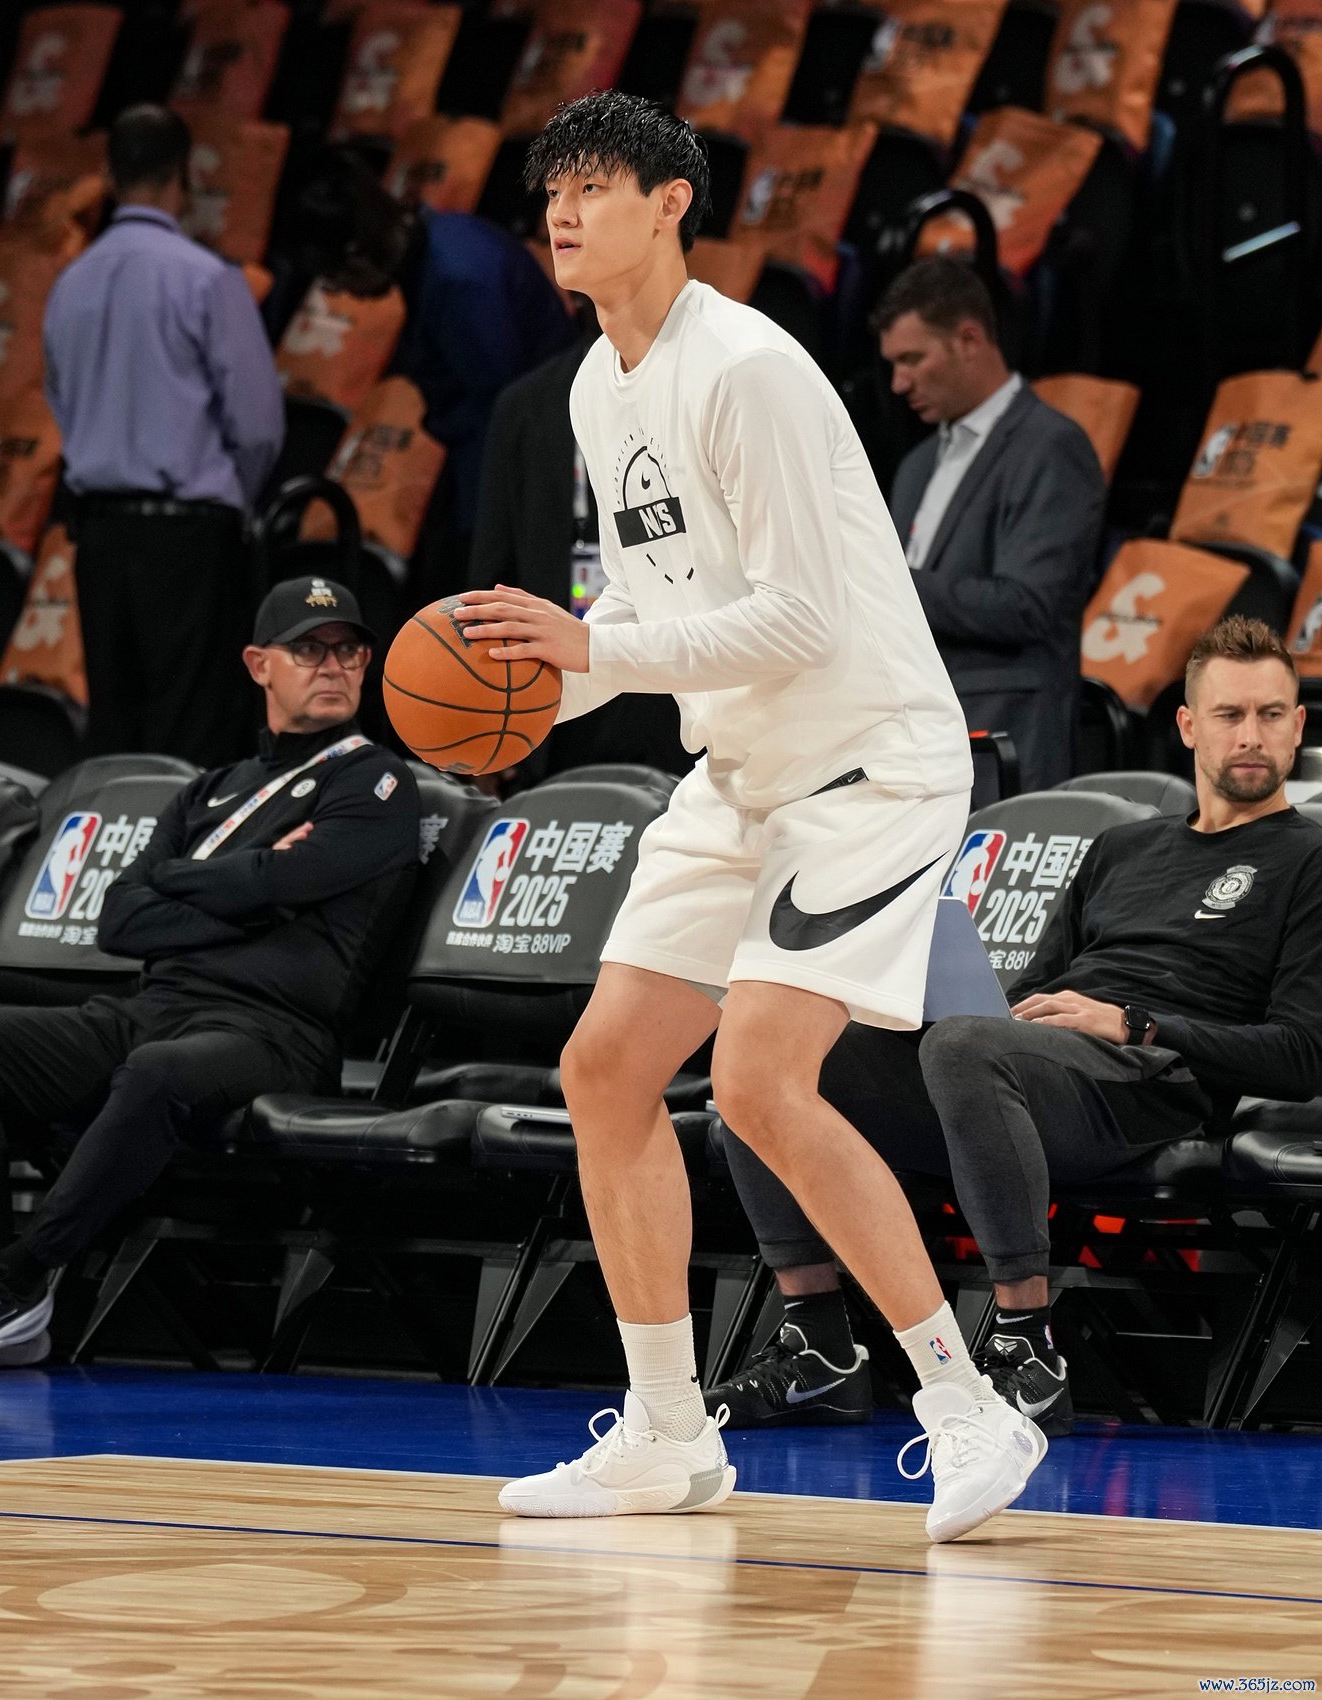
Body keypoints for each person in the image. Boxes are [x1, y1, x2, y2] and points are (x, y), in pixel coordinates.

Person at [456, 92, 1049, 1544]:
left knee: (760, 1080)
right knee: (605, 1069)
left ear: (672, 203)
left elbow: (797, 617)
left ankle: (967, 1404)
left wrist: (591, 649)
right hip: (739, 769)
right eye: (550, 191)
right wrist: (537, 690)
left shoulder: (751, 370)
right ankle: (668, 1432)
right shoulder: (595, 386)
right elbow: (652, 605)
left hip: (868, 767)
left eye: (594, 185)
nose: (562, 212)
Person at [709, 616, 1322, 1439]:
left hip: (1154, 1087)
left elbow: (1301, 1057)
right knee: (764, 1067)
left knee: (968, 1048)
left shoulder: (1309, 860)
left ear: (1298, 725)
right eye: (1230, 715)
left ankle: (1025, 1350)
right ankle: (818, 1343)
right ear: (1186, 725)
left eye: (1271, 715)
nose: (1251, 736)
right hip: (1037, 1064)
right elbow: (1031, 996)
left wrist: (1135, 1024)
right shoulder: (1121, 848)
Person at [0, 577, 421, 1373]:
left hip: (275, 1032)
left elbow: (287, 880)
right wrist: (256, 889)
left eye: (348, 650)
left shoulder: (374, 782)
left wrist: (189, 883)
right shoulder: (210, 790)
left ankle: (20, 1275)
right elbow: (120, 919)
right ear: (258, 664)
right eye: (308, 649)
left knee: (157, 1071)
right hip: (154, 1006)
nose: (332, 664)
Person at [43, 104, 285, 767]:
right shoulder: (206, 277)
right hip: (188, 535)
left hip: (100, 535)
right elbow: (259, 426)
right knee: (190, 737)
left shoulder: (69, 283)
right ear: (185, 174)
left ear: (108, 175)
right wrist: (233, 501)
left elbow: (61, 404)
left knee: (114, 730)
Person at [280, 150, 575, 571]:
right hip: (503, 457)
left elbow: (502, 412)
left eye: (334, 278)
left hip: (531, 474)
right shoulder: (441, 239)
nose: (342, 293)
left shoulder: (460, 278)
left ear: (358, 255)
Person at [875, 258, 1105, 791]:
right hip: (907, 741)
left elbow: (1028, 605)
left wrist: (886, 584)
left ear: (969, 340)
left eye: (912, 359)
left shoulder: (1052, 447)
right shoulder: (916, 465)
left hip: (1003, 740)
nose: (899, 382)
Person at [469, 303, 689, 782]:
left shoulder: (691, 386)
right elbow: (493, 569)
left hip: (664, 668)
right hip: (563, 673)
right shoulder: (527, 402)